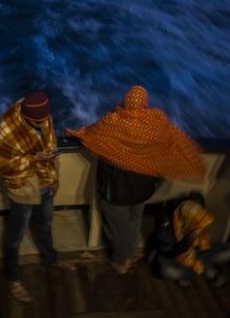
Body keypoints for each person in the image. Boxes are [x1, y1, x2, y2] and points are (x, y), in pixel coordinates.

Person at [66, 85, 206, 275]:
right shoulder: (156, 123)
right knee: (134, 221)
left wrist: (76, 133)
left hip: (116, 191)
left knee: (118, 228)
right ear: (144, 103)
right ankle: (129, 254)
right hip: (143, 189)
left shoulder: (113, 121)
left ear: (125, 101)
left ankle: (121, 261)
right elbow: (175, 140)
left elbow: (92, 136)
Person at [0, 91, 76, 303]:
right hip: (23, 189)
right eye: (37, 122)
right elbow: (1, 167)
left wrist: (55, 177)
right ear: (26, 116)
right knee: (15, 237)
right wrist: (34, 159)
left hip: (46, 183)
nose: (43, 123)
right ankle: (13, 279)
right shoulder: (5, 130)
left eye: (45, 119)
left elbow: (52, 143)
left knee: (45, 225)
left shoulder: (43, 115)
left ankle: (51, 259)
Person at [147, 193, 230, 288]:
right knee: (167, 270)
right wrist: (186, 243)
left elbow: (203, 238)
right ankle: (201, 271)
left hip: (195, 253)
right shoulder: (166, 224)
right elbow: (168, 252)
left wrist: (199, 238)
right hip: (175, 255)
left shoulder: (193, 205)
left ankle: (189, 272)